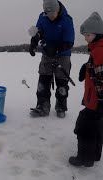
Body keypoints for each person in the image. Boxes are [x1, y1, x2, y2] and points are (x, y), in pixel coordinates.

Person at [29, 0, 75, 118]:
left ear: (58, 9)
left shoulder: (67, 20)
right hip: (46, 53)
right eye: (47, 14)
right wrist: (34, 41)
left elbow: (69, 42)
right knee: (43, 79)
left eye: (52, 14)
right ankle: (42, 106)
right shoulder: (42, 17)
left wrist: (55, 49)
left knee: (61, 82)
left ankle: (60, 106)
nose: (50, 17)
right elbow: (39, 31)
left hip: (63, 54)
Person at [69, 12, 103, 167]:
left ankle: (85, 158)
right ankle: (94, 155)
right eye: (84, 35)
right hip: (95, 100)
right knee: (96, 126)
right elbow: (96, 69)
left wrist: (101, 101)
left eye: (87, 35)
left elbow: (102, 78)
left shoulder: (99, 51)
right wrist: (87, 67)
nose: (85, 38)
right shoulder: (97, 50)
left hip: (97, 100)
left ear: (97, 34)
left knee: (84, 126)